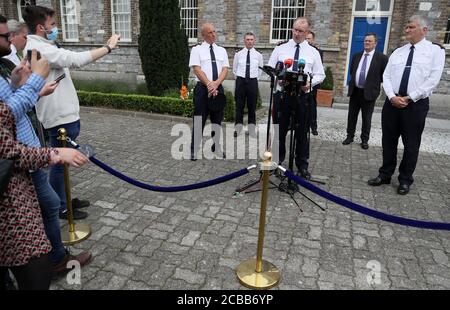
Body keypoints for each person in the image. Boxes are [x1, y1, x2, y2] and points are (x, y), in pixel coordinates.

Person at [0, 16, 91, 275]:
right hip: (19, 161)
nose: (12, 39)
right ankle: (54, 259)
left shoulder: (6, 65)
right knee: (47, 208)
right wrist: (35, 83)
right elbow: (5, 117)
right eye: (5, 36)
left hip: (29, 152)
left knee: (48, 205)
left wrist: (21, 85)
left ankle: (52, 256)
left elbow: (10, 107)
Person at [22, 5, 120, 218]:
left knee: (62, 165)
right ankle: (61, 208)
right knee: (58, 165)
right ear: (40, 27)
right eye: (52, 25)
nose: (55, 28)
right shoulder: (40, 49)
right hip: (58, 119)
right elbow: (75, 59)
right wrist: (108, 47)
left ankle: (65, 199)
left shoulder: (43, 45)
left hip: (63, 116)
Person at [0, 101, 89, 290]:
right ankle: (58, 258)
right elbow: (8, 152)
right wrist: (53, 153)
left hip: (18, 180)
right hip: (10, 202)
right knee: (36, 264)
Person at [368, 15, 445, 195]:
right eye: (406, 27)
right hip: (392, 103)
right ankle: (385, 174)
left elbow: (433, 80)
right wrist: (392, 96)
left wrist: (410, 97)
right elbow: (386, 76)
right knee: (388, 141)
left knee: (411, 144)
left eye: (411, 27)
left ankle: (405, 179)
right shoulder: (398, 52)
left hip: (415, 105)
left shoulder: (435, 52)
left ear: (424, 30)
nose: (407, 30)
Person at [268, 17, 325, 179]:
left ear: (307, 32)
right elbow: (271, 68)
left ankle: (302, 165)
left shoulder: (313, 52)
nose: (297, 33)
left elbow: (321, 74)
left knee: (301, 132)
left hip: (302, 97)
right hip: (283, 95)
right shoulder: (281, 49)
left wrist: (310, 84)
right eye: (295, 30)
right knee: (280, 131)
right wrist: (277, 77)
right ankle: (277, 162)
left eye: (301, 31)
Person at [189, 22, 229, 160]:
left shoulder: (221, 50)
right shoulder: (197, 50)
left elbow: (225, 69)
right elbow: (196, 69)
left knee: (217, 121)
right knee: (199, 120)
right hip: (202, 89)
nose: (213, 35)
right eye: (210, 33)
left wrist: (216, 84)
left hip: (218, 88)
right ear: (203, 35)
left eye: (214, 32)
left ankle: (216, 147)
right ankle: (194, 150)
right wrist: (209, 84)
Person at [343, 33, 388, 149]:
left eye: (370, 41)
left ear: (375, 43)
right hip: (355, 91)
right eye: (365, 41)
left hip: (369, 93)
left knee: (366, 118)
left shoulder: (381, 58)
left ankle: (364, 140)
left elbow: (384, 76)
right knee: (352, 116)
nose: (367, 43)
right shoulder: (356, 56)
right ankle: (350, 136)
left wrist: (374, 87)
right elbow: (352, 71)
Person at [232, 32, 263, 137]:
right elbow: (235, 69)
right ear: (244, 41)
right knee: (239, 107)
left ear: (254, 41)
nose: (249, 41)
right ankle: (238, 129)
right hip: (241, 81)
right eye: (247, 39)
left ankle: (251, 129)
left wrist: (254, 79)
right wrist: (239, 78)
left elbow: (260, 70)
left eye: (251, 39)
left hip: (252, 82)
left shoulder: (258, 55)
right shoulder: (238, 54)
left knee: (252, 107)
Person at [305, 30, 323, 136]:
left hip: (313, 83)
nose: (307, 41)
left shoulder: (317, 52)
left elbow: (318, 70)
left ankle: (313, 126)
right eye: (306, 38)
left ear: (313, 40)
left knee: (312, 105)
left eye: (309, 39)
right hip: (303, 82)